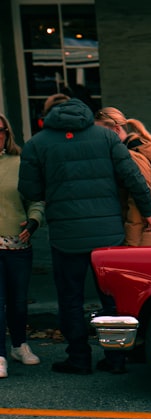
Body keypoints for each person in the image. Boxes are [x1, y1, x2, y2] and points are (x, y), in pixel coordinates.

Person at [17, 95, 151, 375]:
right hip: (107, 234)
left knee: (70, 298)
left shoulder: (36, 144)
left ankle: (78, 358)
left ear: (50, 115)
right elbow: (131, 176)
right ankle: (116, 358)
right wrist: (147, 211)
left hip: (66, 235)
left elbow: (30, 191)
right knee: (110, 298)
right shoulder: (105, 138)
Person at [0, 112, 45, 378]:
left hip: (18, 245)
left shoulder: (20, 162)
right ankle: (0, 355)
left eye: (2, 130)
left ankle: (19, 345)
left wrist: (33, 221)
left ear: (8, 134)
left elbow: (35, 199)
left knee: (18, 302)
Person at [95, 107, 151, 247]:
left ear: (115, 129)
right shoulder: (129, 152)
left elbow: (137, 203)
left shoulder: (132, 157)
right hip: (140, 234)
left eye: (101, 133)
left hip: (140, 237)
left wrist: (130, 244)